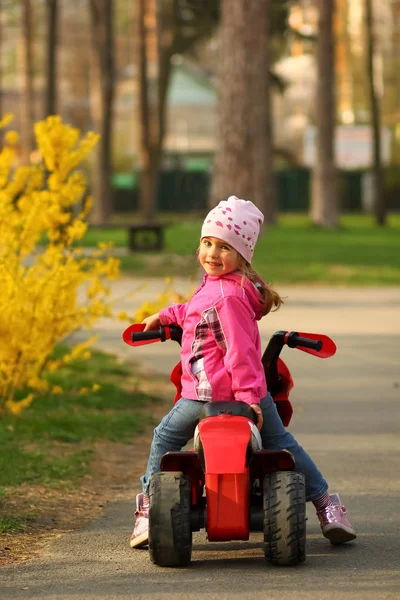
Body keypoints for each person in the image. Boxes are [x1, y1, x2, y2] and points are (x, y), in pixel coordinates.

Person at [130, 195, 356, 550]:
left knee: (165, 438)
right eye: (207, 243)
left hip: (206, 394)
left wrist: (250, 400)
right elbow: (195, 308)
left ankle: (146, 509)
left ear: (242, 255)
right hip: (244, 393)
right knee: (284, 445)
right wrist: (168, 314)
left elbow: (240, 355)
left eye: (224, 247)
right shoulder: (231, 286)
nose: (212, 253)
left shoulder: (225, 296)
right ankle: (327, 505)